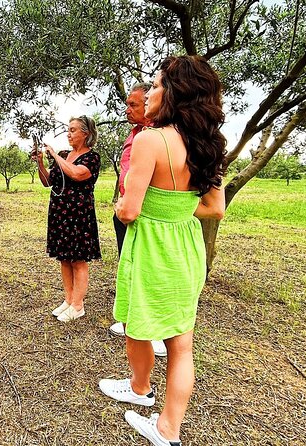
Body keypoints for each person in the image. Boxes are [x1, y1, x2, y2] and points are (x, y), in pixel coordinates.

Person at [98, 55, 226, 446]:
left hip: (153, 248)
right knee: (181, 343)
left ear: (175, 93)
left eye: (155, 85)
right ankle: (168, 429)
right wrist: (177, 209)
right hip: (187, 249)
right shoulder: (208, 145)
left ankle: (140, 389)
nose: (149, 92)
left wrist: (122, 207)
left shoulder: (150, 139)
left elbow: (130, 209)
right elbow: (214, 207)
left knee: (138, 322)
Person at [108, 83, 167, 358]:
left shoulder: (158, 136)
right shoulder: (134, 134)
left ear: (152, 103)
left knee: (149, 271)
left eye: (134, 105)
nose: (127, 109)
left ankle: (155, 332)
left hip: (147, 213)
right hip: (126, 208)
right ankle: (132, 319)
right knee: (129, 265)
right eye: (128, 104)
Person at [32, 116, 102, 322]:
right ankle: (69, 300)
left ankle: (78, 305)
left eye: (73, 130)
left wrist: (54, 154)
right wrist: (41, 163)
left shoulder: (92, 158)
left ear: (86, 134)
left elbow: (78, 175)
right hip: (60, 213)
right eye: (68, 130)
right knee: (64, 257)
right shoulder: (65, 155)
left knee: (78, 259)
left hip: (79, 214)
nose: (68, 134)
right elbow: (48, 181)